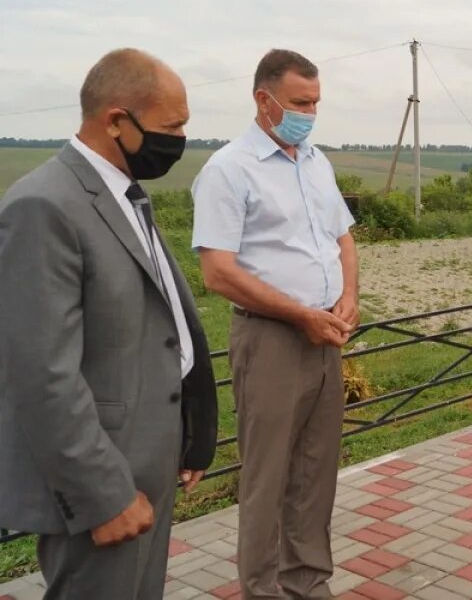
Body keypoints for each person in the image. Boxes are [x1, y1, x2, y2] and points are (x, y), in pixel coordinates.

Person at [0, 48, 217, 600]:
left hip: (148, 456)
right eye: (172, 127)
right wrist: (102, 494)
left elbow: (160, 321)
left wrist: (191, 432)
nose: (180, 139)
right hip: (105, 476)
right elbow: (42, 373)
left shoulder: (125, 195)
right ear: (116, 120)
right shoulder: (43, 205)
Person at [191, 48, 358, 600]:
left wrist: (348, 296)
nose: (310, 113)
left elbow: (343, 238)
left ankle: (309, 583)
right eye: (299, 102)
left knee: (316, 470)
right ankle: (262, 589)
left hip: (326, 335)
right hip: (271, 339)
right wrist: (300, 314)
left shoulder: (316, 161)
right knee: (267, 478)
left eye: (316, 102)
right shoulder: (229, 169)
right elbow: (218, 272)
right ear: (264, 100)